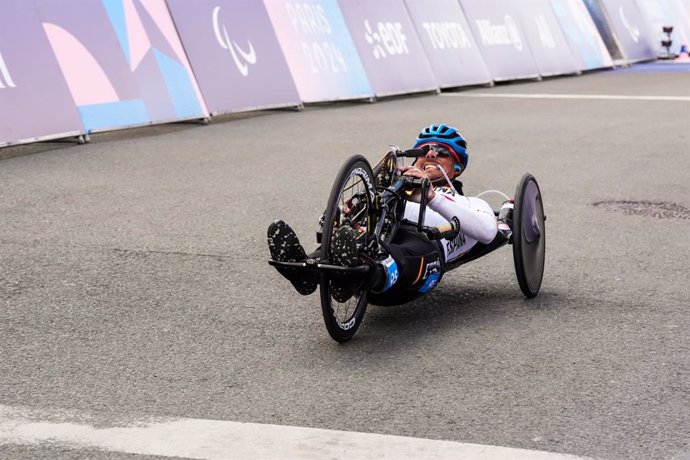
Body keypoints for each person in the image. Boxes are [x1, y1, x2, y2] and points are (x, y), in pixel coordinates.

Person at [267, 123, 512, 305]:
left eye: (442, 151)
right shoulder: (392, 192)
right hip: (382, 235)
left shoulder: (469, 202)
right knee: (358, 236)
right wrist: (355, 212)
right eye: (425, 150)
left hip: (424, 257)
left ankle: (360, 274)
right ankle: (305, 271)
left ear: (457, 168)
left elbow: (489, 232)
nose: (431, 154)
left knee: (409, 250)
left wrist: (431, 197)